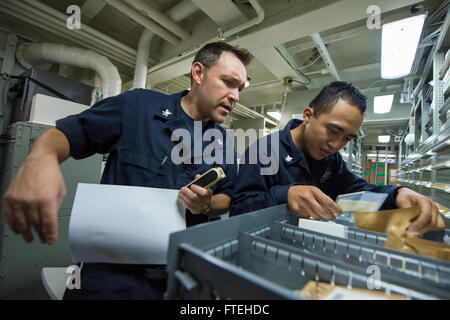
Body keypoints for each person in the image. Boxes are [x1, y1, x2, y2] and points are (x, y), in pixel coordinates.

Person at [2, 42, 251, 299]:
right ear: (198, 73)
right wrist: (42, 157)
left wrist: (207, 204)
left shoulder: (223, 143)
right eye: (228, 82)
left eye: (240, 89)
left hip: (179, 279)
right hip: (110, 278)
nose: (236, 96)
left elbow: (229, 197)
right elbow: (67, 134)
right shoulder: (138, 107)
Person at [230, 81, 445, 237]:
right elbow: (239, 211)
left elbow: (355, 188)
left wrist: (397, 193)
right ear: (308, 116)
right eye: (332, 131)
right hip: (265, 246)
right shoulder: (264, 151)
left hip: (308, 243)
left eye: (347, 139)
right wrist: (285, 195)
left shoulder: (330, 159)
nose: (336, 145)